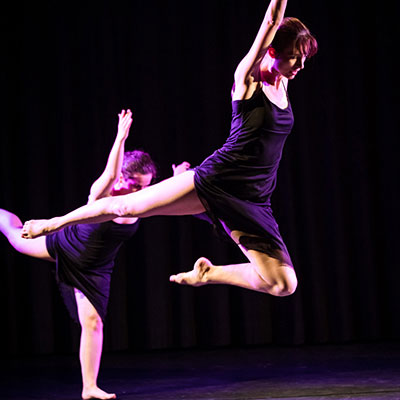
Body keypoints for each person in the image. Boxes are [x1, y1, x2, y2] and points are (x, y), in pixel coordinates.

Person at [22, 0, 317, 298]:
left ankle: (208, 273)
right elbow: (271, 21)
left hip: (254, 197)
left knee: (283, 284)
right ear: (271, 52)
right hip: (218, 180)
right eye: (294, 58)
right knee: (124, 206)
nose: (300, 66)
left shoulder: (283, 82)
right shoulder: (248, 80)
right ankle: (54, 223)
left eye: (303, 58)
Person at [1, 109, 190, 400]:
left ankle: (89, 388)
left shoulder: (138, 201)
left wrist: (177, 178)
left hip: (96, 269)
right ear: (122, 179)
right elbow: (110, 174)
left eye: (145, 186)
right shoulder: (101, 194)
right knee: (14, 234)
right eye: (136, 184)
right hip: (65, 246)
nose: (141, 191)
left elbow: (164, 193)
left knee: (93, 323)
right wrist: (120, 138)